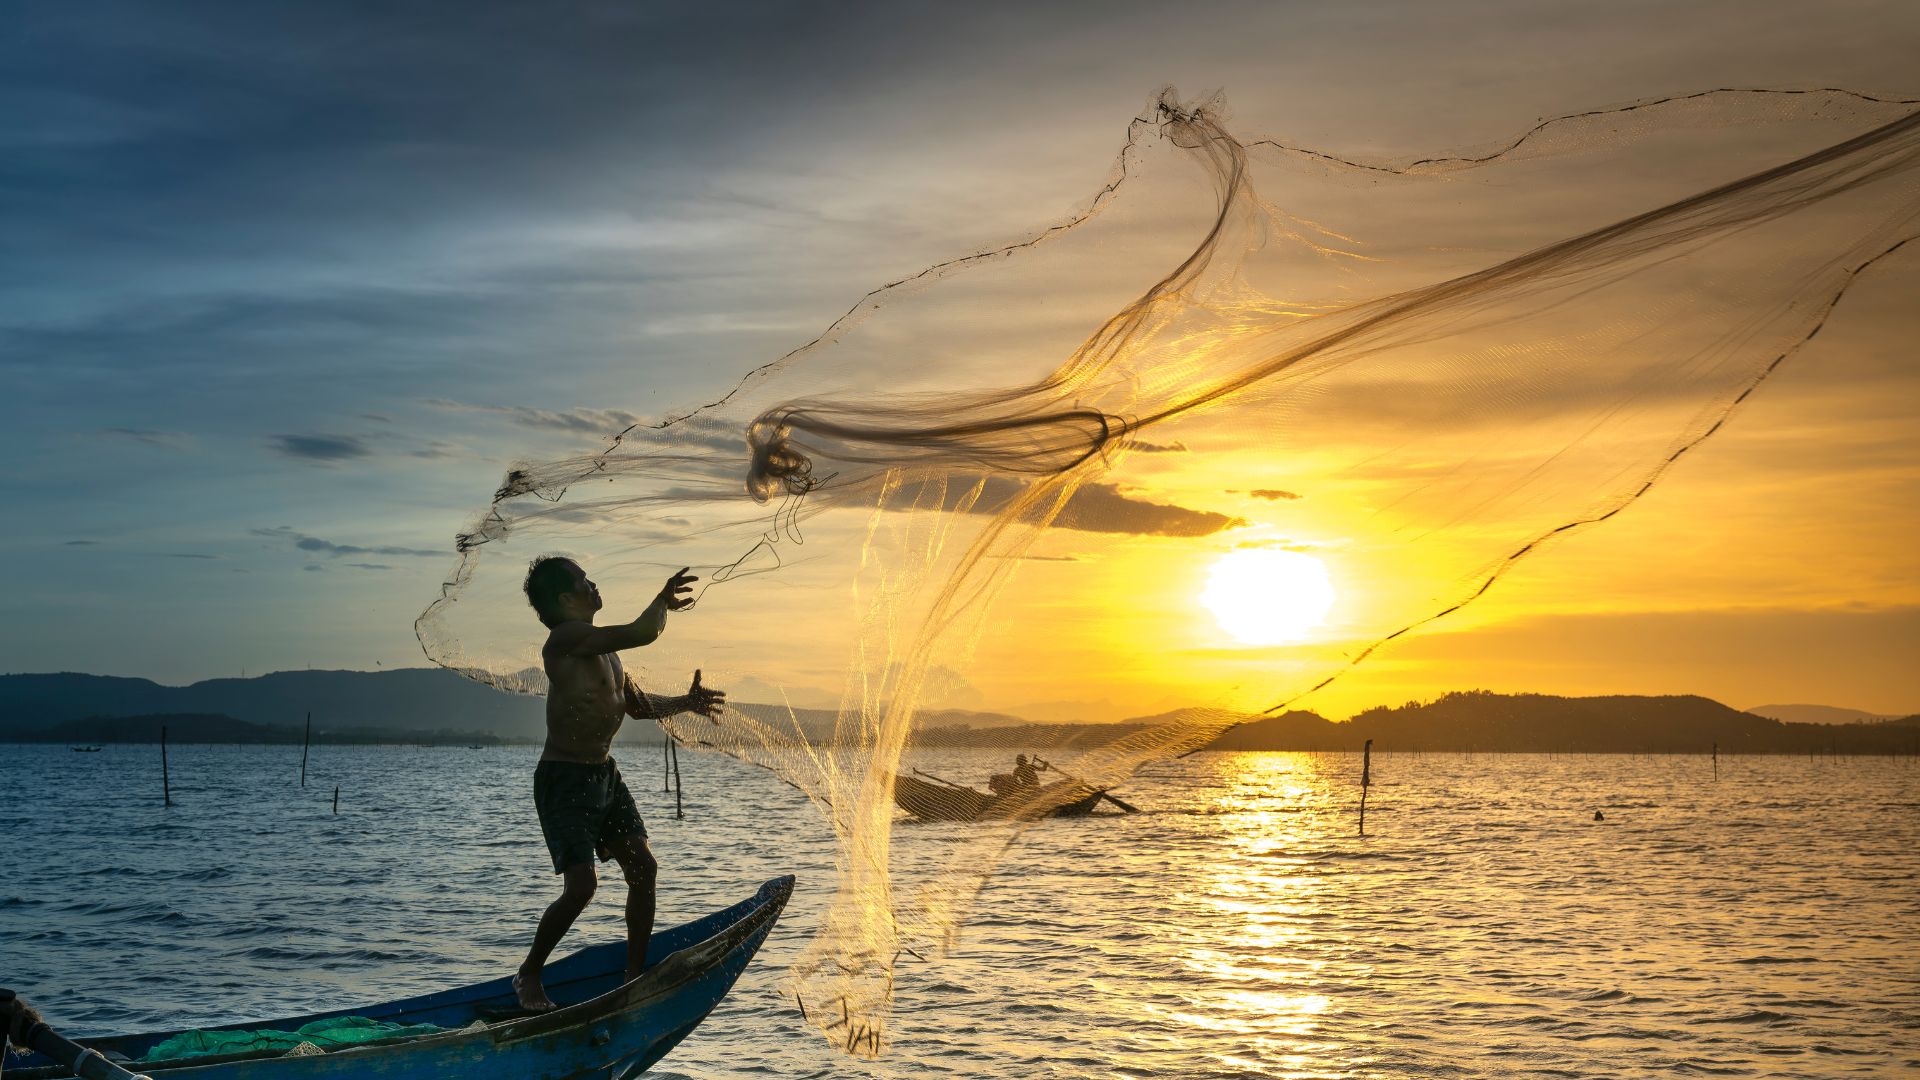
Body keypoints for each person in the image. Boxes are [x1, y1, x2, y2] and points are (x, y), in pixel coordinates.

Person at [513, 556, 725, 1013]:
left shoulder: (605, 650)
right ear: (566, 599)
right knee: (582, 887)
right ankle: (529, 974)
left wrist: (685, 702)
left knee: (643, 869)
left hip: (603, 774)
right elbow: (643, 631)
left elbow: (639, 707)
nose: (594, 584)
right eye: (584, 580)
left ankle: (634, 975)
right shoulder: (566, 640)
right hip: (565, 779)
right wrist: (663, 601)